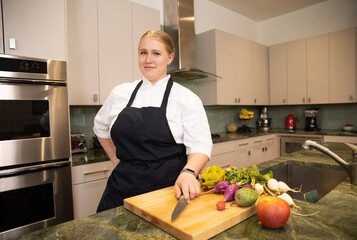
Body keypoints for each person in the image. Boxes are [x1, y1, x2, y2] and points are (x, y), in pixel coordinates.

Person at [93, 30, 212, 212]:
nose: (148, 60)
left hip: (167, 191)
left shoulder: (186, 98)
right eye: (143, 52)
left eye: (156, 53)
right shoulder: (120, 93)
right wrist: (116, 159)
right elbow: (100, 128)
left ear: (170, 57)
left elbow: (200, 147)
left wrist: (189, 173)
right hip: (121, 189)